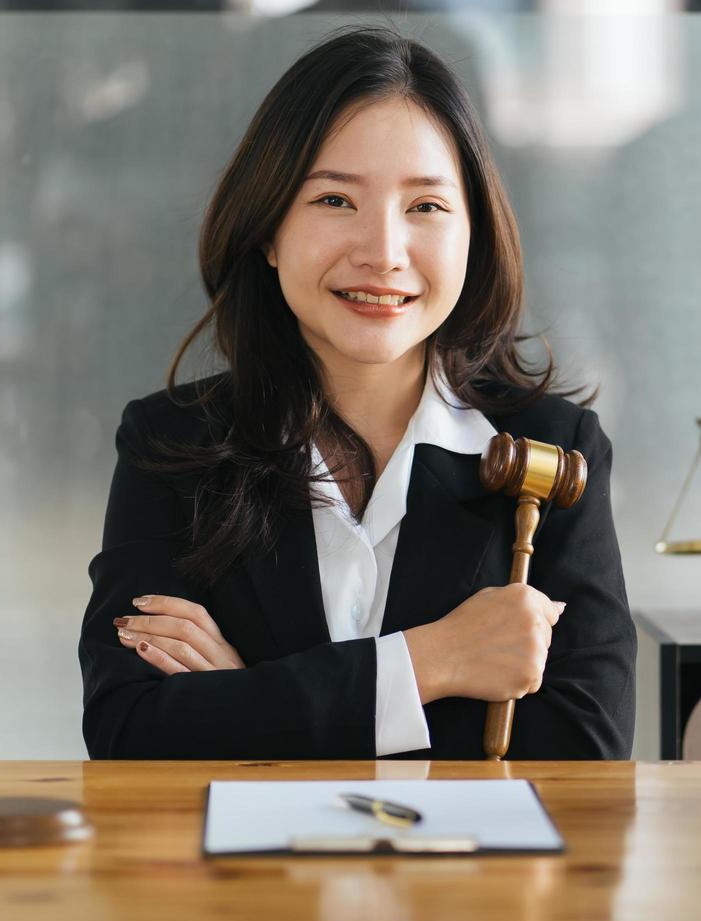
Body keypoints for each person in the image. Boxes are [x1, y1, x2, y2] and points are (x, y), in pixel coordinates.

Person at [76, 27, 635, 761]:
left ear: (475, 236)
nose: (382, 252)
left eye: (426, 207)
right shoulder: (168, 444)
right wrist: (433, 663)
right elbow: (130, 731)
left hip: (474, 878)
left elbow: (583, 749)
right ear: (269, 230)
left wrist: (252, 696)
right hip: (239, 877)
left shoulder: (552, 452)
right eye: (335, 199)